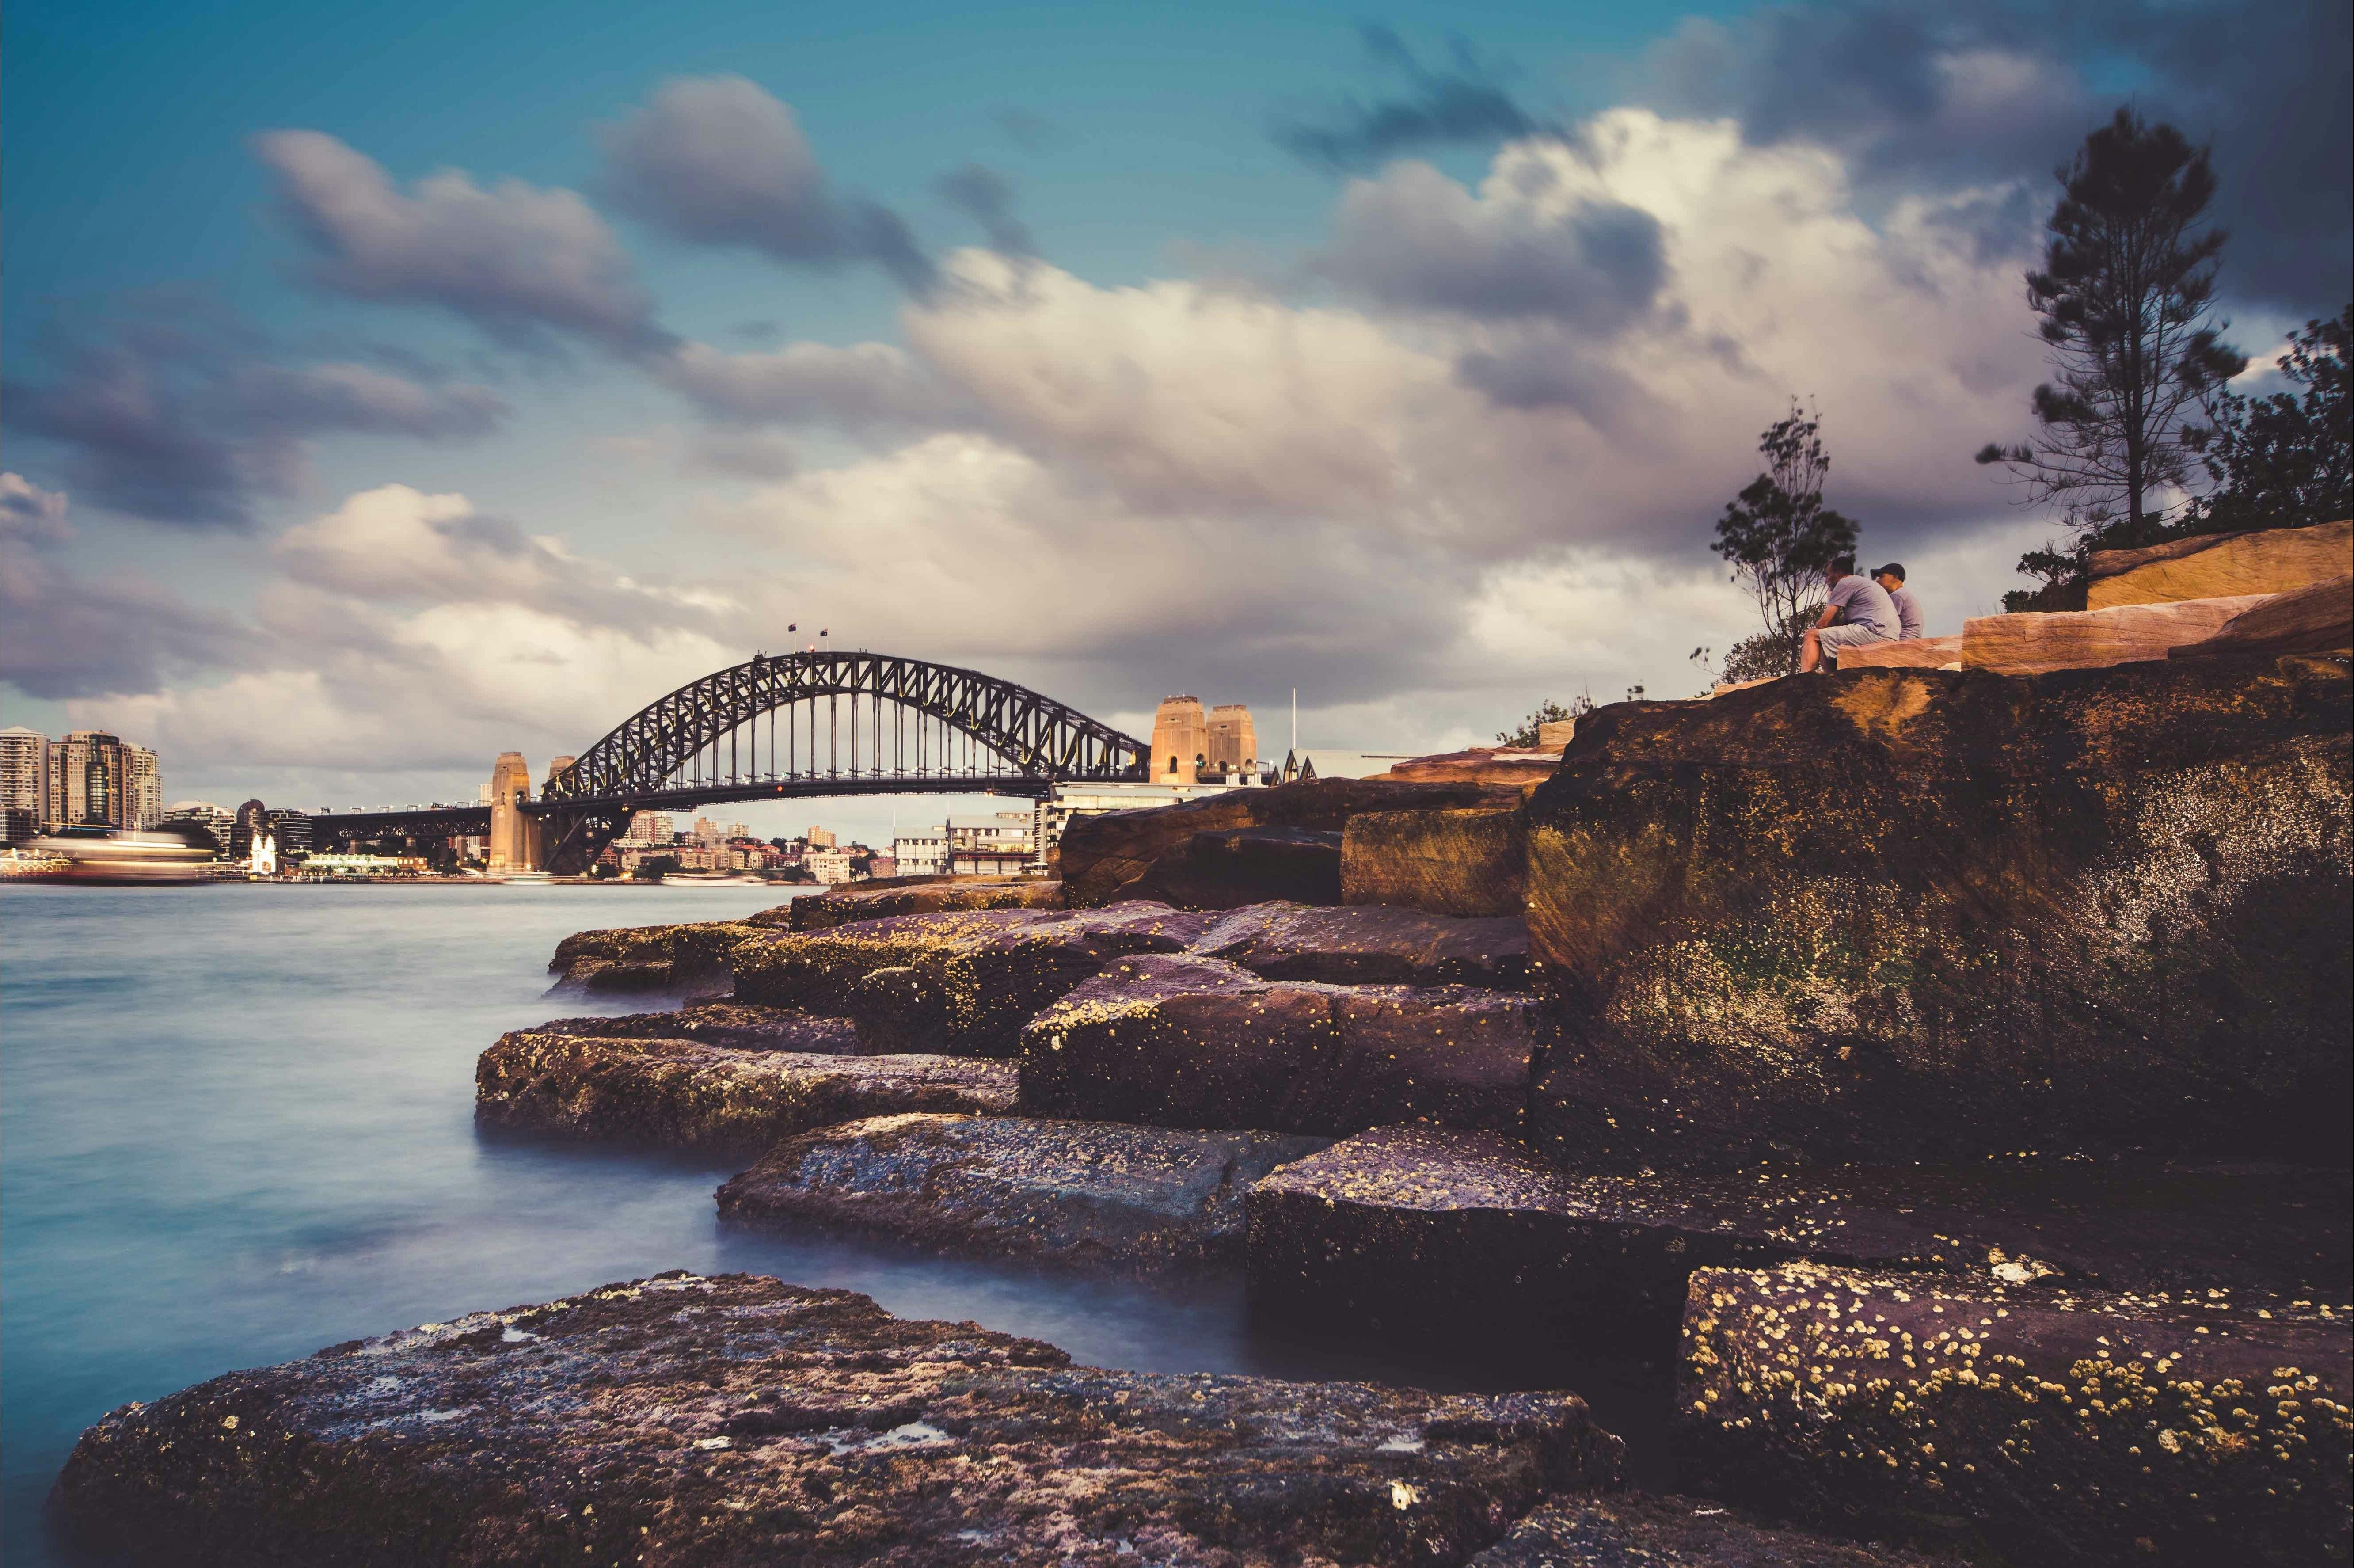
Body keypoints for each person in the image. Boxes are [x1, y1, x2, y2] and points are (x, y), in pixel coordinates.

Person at [1798, 557, 1899, 672]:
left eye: (1828, 574)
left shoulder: (1845, 583)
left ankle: (1803, 678)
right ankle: (1831, 679)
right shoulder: (1861, 585)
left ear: (1839, 573)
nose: (1826, 580)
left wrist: (1830, 600)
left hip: (1875, 631)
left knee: (1812, 636)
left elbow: (1823, 624)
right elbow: (1837, 627)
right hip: (1888, 634)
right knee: (1824, 640)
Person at [1874, 563, 1924, 641]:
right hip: (1912, 640)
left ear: (1895, 577)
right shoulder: (1904, 594)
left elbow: (1885, 624)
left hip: (1904, 641)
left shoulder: (1897, 596)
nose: (1877, 581)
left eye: (1881, 577)